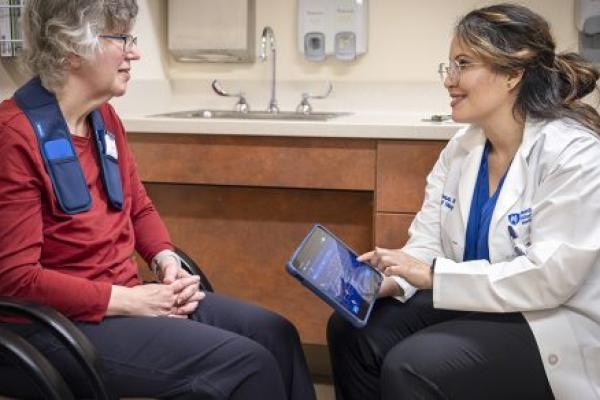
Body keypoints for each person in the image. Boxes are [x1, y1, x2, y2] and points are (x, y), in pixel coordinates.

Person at [0, 1, 317, 399]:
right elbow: (16, 280)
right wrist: (129, 300)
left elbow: (138, 208)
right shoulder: (15, 135)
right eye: (121, 39)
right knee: (246, 365)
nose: (134, 52)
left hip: (126, 299)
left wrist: (167, 262)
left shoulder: (105, 120)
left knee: (276, 335)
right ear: (71, 48)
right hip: (54, 327)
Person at [327, 4, 600, 400]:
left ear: (512, 74)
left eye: (463, 64)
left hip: (551, 320)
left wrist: (434, 277)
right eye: (449, 65)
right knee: (353, 327)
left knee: (414, 364)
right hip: (479, 302)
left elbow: (548, 280)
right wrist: (392, 279)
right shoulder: (463, 148)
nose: (449, 80)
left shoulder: (573, 153)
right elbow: (427, 243)